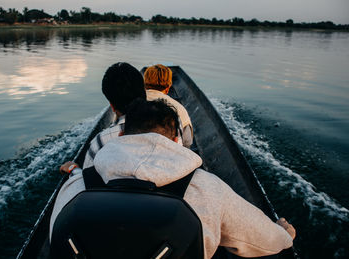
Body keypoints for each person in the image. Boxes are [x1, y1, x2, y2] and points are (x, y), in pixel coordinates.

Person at [51, 99, 296, 259]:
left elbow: (55, 238)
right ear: (177, 140)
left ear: (122, 135)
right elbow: (264, 241)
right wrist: (283, 233)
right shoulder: (206, 187)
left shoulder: (79, 183)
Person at [82, 62, 146, 169]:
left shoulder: (100, 142)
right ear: (144, 92)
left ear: (112, 106)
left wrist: (73, 170)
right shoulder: (170, 127)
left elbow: (87, 178)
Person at [144, 64, 193, 147]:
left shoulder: (132, 103)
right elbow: (188, 142)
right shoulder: (180, 109)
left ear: (144, 83)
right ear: (168, 87)